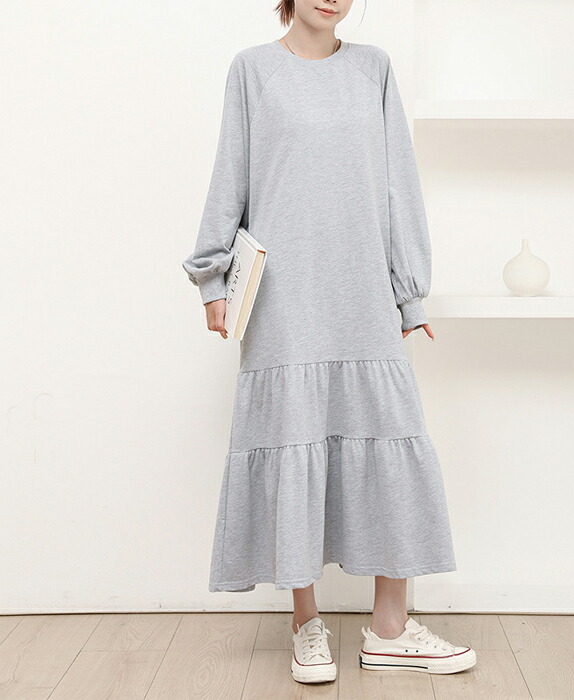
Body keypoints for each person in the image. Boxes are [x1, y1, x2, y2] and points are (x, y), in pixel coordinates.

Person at [182, 0, 477, 684]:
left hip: (363, 290)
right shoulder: (253, 71)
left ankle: (390, 629)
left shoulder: (374, 70)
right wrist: (211, 278)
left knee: (391, 441)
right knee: (295, 440)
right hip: (284, 298)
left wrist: (409, 290)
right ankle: (305, 624)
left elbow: (398, 185)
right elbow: (231, 175)